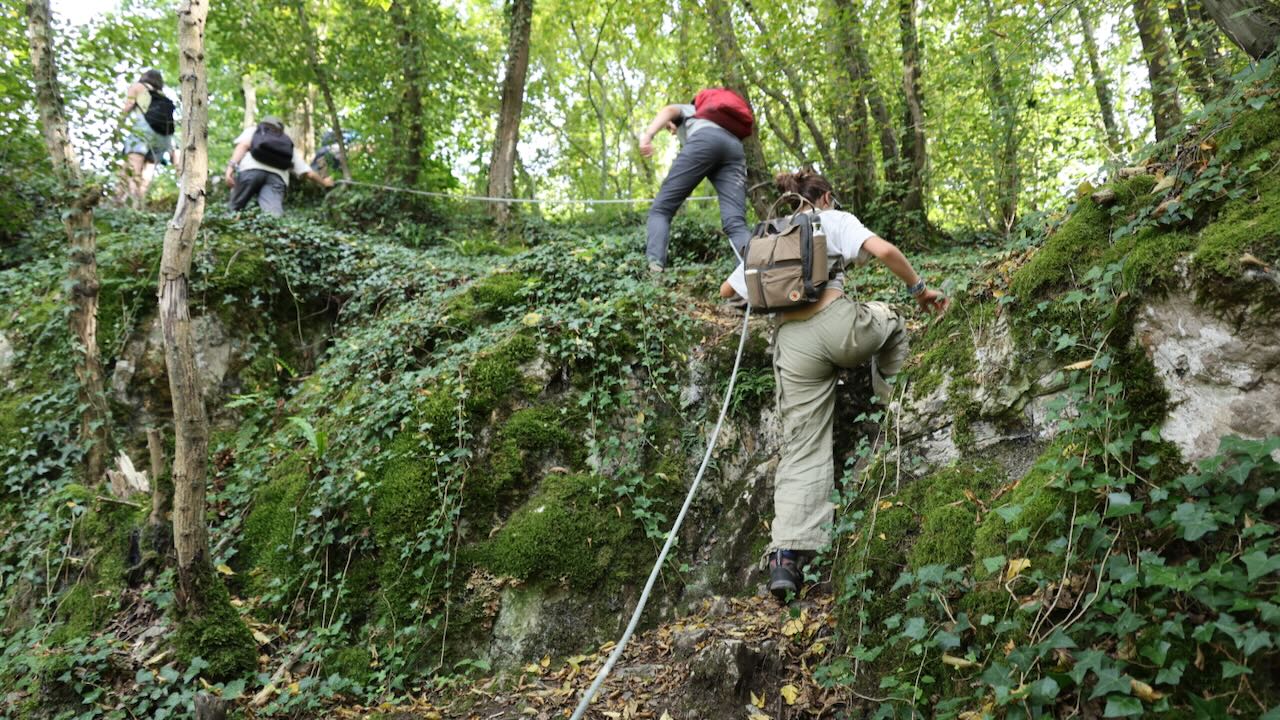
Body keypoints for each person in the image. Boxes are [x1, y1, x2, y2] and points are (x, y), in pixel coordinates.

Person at [720, 170, 949, 602]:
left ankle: (786, 557)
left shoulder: (772, 236)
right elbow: (883, 251)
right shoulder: (834, 219)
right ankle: (898, 412)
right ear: (825, 196)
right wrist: (919, 289)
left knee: (802, 446)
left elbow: (727, 290)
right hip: (840, 327)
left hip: (794, 344)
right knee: (892, 320)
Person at [638, 89, 752, 273]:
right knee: (736, 223)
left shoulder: (691, 110)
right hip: (734, 149)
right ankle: (756, 276)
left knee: (661, 209)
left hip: (705, 141)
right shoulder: (714, 119)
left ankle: (654, 273)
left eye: (669, 128)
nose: (671, 132)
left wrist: (648, 135)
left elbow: (668, 110)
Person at [224, 116, 334, 216]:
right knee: (273, 214)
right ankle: (273, 233)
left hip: (251, 170)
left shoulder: (254, 131)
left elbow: (243, 146)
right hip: (277, 178)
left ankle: (227, 224)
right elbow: (306, 172)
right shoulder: (286, 142)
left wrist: (230, 168)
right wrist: (324, 182)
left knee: (235, 207)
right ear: (281, 129)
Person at [117, 69, 176, 210]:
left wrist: (118, 127)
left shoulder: (138, 86)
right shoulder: (162, 95)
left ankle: (130, 208)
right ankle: (138, 205)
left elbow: (128, 107)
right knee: (147, 174)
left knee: (134, 169)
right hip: (164, 137)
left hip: (145, 130)